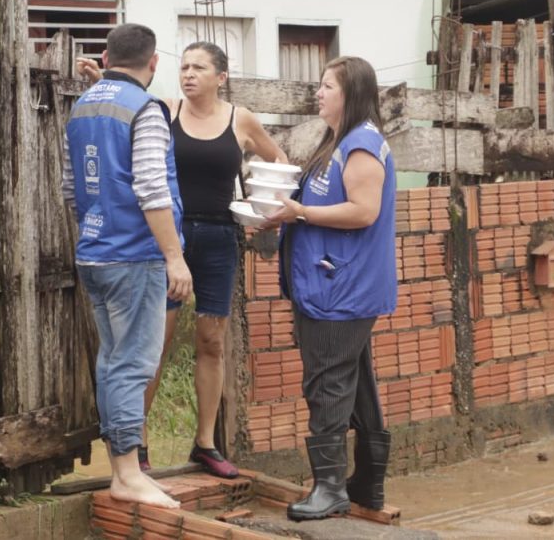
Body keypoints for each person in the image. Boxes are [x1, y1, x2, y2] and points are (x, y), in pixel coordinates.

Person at [143, 42, 287, 478]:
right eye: (184, 67)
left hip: (221, 237)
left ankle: (205, 443)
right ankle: (138, 443)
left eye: (199, 68)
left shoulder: (240, 119)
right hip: (173, 239)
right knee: (156, 342)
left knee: (211, 340)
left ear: (221, 77)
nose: (188, 74)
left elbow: (278, 159)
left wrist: (266, 206)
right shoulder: (166, 110)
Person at [63, 23, 192, 509]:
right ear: (153, 62)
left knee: (113, 360)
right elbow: (152, 187)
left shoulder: (83, 106)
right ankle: (127, 473)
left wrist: (98, 229)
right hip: (136, 255)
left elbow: (71, 187)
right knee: (133, 364)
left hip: (94, 252)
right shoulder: (146, 109)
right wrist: (175, 257)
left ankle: (125, 470)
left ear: (105, 56)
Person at [265, 56, 396, 521]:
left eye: (327, 87)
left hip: (342, 287)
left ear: (351, 94)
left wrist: (300, 213)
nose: (318, 93)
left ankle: (329, 488)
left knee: (327, 383)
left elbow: (364, 210)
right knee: (354, 382)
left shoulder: (360, 145)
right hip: (329, 282)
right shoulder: (337, 141)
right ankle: (367, 485)